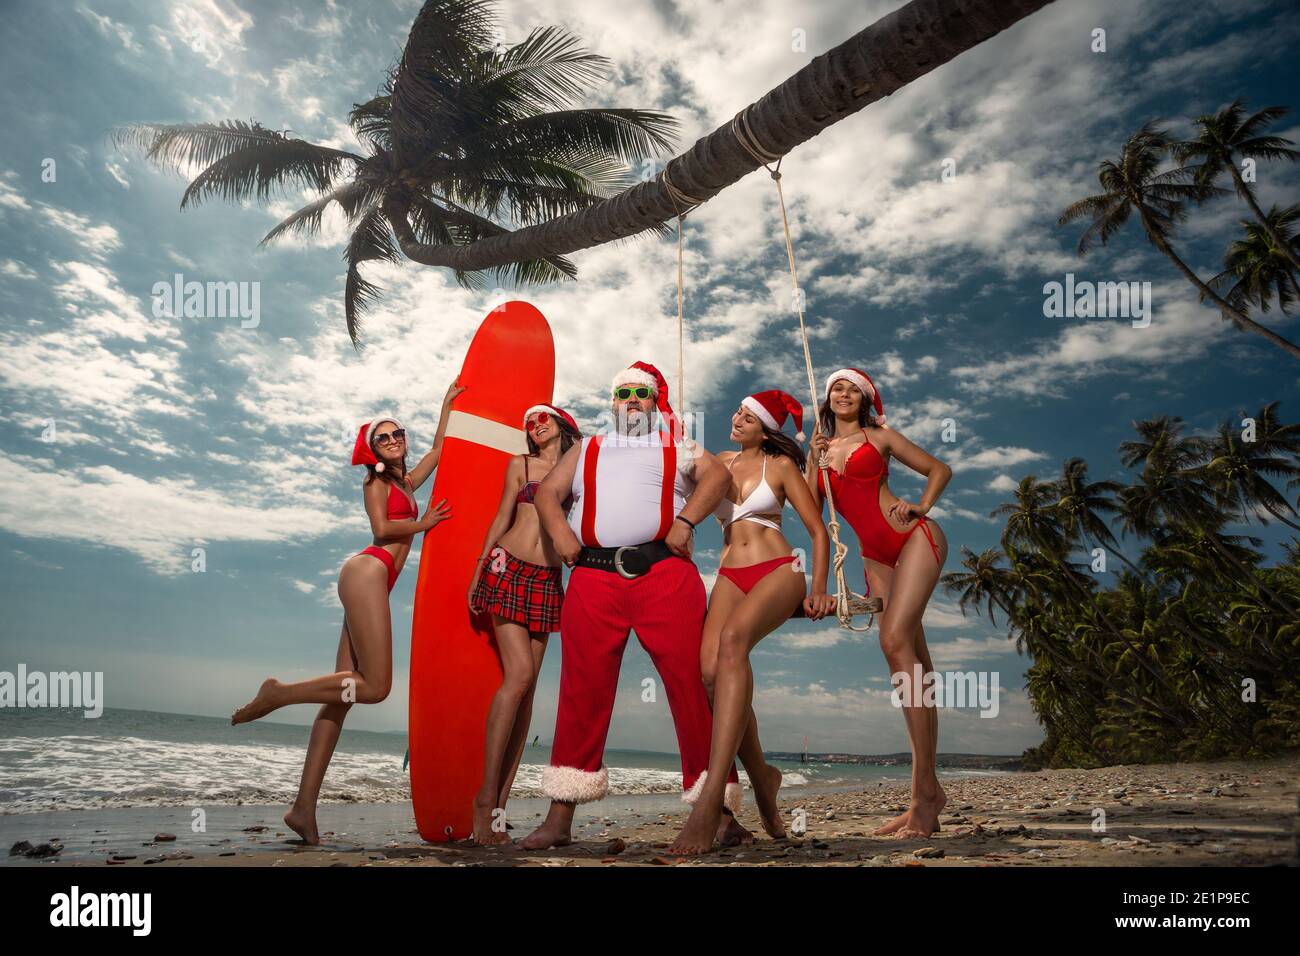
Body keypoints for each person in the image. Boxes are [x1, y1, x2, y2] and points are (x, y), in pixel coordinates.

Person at [520, 360, 750, 850]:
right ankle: (559, 818)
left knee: (690, 683)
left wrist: (686, 521)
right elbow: (548, 495)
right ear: (613, 402)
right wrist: (561, 532)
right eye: (623, 392)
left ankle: (722, 813)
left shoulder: (676, 443)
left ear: (652, 402)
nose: (631, 400)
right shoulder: (587, 448)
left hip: (664, 572)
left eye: (640, 394)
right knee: (582, 689)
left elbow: (717, 481)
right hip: (593, 575)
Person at [229, 381, 462, 845]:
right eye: (385, 437)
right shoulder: (376, 482)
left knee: (342, 698)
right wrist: (425, 524)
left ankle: (302, 809)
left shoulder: (405, 482)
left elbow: (440, 448)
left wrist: (447, 406)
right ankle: (279, 692)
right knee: (375, 686)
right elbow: (381, 528)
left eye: (399, 434)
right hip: (366, 573)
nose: (395, 441)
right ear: (373, 449)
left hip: (371, 581)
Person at [671, 389, 837, 854]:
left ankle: (710, 805)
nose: (737, 418)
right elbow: (683, 484)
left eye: (748, 415)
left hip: (781, 570)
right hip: (729, 573)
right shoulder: (719, 462)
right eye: (738, 411)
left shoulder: (779, 466)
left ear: (766, 428)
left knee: (732, 643)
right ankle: (764, 777)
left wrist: (819, 587)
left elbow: (817, 530)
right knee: (707, 674)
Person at [806, 368, 951, 838]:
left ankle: (923, 797)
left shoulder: (880, 436)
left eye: (852, 389)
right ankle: (926, 794)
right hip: (875, 557)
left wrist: (922, 506)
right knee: (917, 663)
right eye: (836, 388)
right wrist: (813, 460)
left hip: (913, 539)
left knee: (894, 643)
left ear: (864, 399)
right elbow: (810, 509)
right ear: (827, 400)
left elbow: (938, 469)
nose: (843, 393)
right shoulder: (823, 451)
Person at [465, 403, 582, 845]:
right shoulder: (521, 464)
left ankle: (498, 810)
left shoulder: (579, 466)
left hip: (548, 580)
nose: (534, 427)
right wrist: (479, 569)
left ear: (560, 423)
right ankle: (482, 801)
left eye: (541, 419)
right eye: (528, 424)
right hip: (508, 567)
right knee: (519, 678)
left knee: (528, 694)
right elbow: (501, 517)